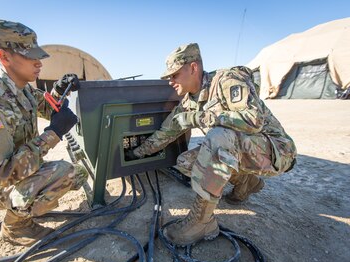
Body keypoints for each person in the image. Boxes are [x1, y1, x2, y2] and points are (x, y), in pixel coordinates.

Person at [127, 43, 297, 246]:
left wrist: (201, 117)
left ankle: (202, 222)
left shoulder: (227, 81)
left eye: (174, 75)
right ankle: (246, 182)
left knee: (218, 138)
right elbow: (165, 134)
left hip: (277, 150)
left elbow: (253, 120)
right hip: (246, 150)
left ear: (193, 68)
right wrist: (135, 154)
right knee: (186, 162)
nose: (170, 82)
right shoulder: (189, 102)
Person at [0, 18, 88, 246]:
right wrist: (53, 133)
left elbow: (46, 106)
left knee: (78, 174)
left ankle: (24, 207)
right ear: (4, 57)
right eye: (29, 56)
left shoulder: (19, 89)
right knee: (66, 172)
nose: (39, 63)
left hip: (10, 167)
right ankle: (16, 226)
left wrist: (59, 90)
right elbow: (1, 175)